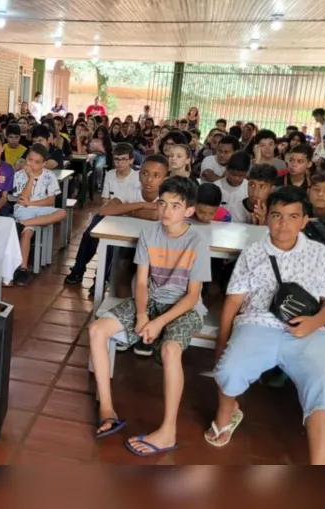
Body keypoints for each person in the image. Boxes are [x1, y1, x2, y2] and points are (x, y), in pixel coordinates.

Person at [206, 187, 325, 465]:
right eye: (277, 216)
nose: (284, 224)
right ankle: (227, 413)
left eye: (293, 217)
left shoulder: (319, 253)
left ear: (305, 220)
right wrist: (221, 346)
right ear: (266, 217)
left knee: (322, 390)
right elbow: (233, 303)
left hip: (307, 331)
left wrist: (313, 323)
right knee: (229, 369)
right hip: (258, 325)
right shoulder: (254, 252)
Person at [88, 176, 211, 455]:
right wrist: (143, 315)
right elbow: (141, 283)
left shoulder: (196, 241)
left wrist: (157, 323)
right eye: (163, 204)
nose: (167, 211)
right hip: (151, 302)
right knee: (97, 330)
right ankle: (107, 409)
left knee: (169, 349)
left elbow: (192, 296)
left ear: (189, 210)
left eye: (176, 206)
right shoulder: (149, 233)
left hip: (184, 309)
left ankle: (168, 431)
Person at [63, 144, 147, 286]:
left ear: (131, 160)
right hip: (109, 214)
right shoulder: (109, 175)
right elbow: (105, 200)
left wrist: (118, 208)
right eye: (117, 159)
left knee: (110, 244)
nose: (120, 163)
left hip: (128, 216)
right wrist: (114, 209)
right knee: (88, 235)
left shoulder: (137, 178)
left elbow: (136, 203)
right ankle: (78, 270)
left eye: (124, 159)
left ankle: (100, 279)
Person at [11, 144, 66, 286]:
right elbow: (22, 200)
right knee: (27, 233)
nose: (32, 164)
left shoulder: (49, 175)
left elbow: (51, 200)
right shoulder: (19, 175)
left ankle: (22, 224)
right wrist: (30, 178)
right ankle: (23, 269)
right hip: (24, 210)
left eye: (37, 162)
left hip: (41, 208)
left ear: (43, 164)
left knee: (62, 212)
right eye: (30, 160)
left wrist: (31, 204)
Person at [216, 151, 250, 223]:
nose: (236, 178)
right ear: (227, 169)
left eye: (241, 176)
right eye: (233, 174)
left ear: (247, 173)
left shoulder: (249, 188)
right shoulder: (216, 186)